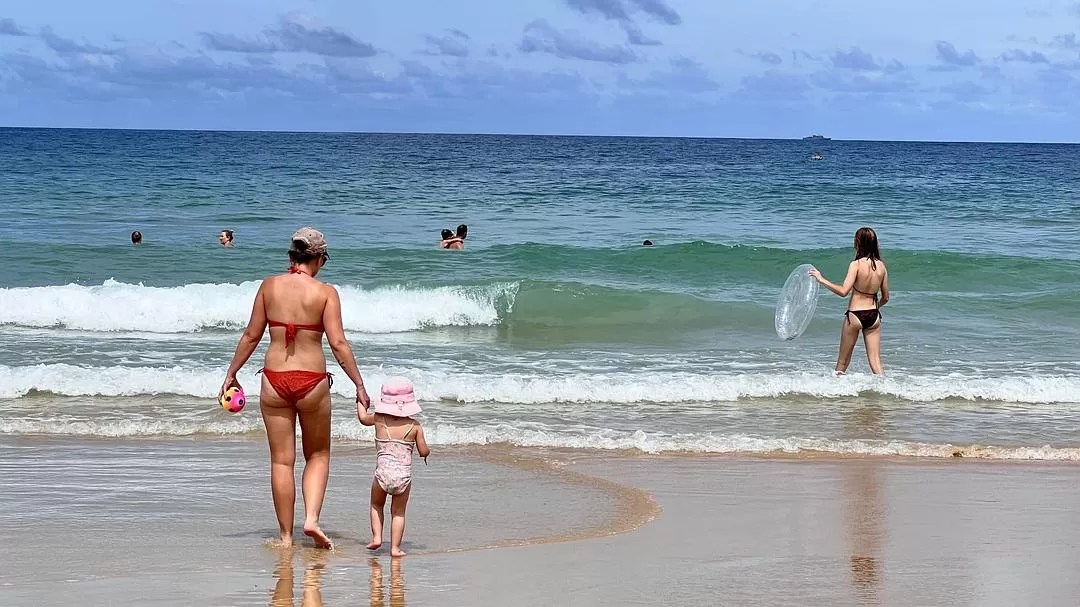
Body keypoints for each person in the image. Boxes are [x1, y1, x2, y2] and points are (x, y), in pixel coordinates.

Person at [220, 227, 371, 549]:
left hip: (274, 380)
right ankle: (312, 519)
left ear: (291, 256)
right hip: (312, 382)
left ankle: (286, 537)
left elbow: (250, 335)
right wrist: (359, 384)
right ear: (319, 259)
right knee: (317, 454)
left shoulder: (269, 286)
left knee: (281, 462)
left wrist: (231, 373)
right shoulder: (326, 292)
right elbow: (339, 343)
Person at [357, 377, 430, 558]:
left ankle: (376, 538)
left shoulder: (379, 419)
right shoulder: (414, 426)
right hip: (403, 478)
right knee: (398, 513)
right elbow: (423, 450)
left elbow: (362, 418)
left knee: (376, 504)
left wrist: (360, 402)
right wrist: (426, 453)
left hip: (382, 475)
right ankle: (395, 549)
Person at [809, 227, 890, 376]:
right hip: (874, 316)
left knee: (842, 363)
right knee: (876, 362)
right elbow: (886, 297)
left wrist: (821, 279)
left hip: (855, 315)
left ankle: (836, 394)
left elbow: (843, 291)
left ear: (858, 243)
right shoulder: (881, 266)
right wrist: (874, 307)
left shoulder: (856, 264)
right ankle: (886, 392)